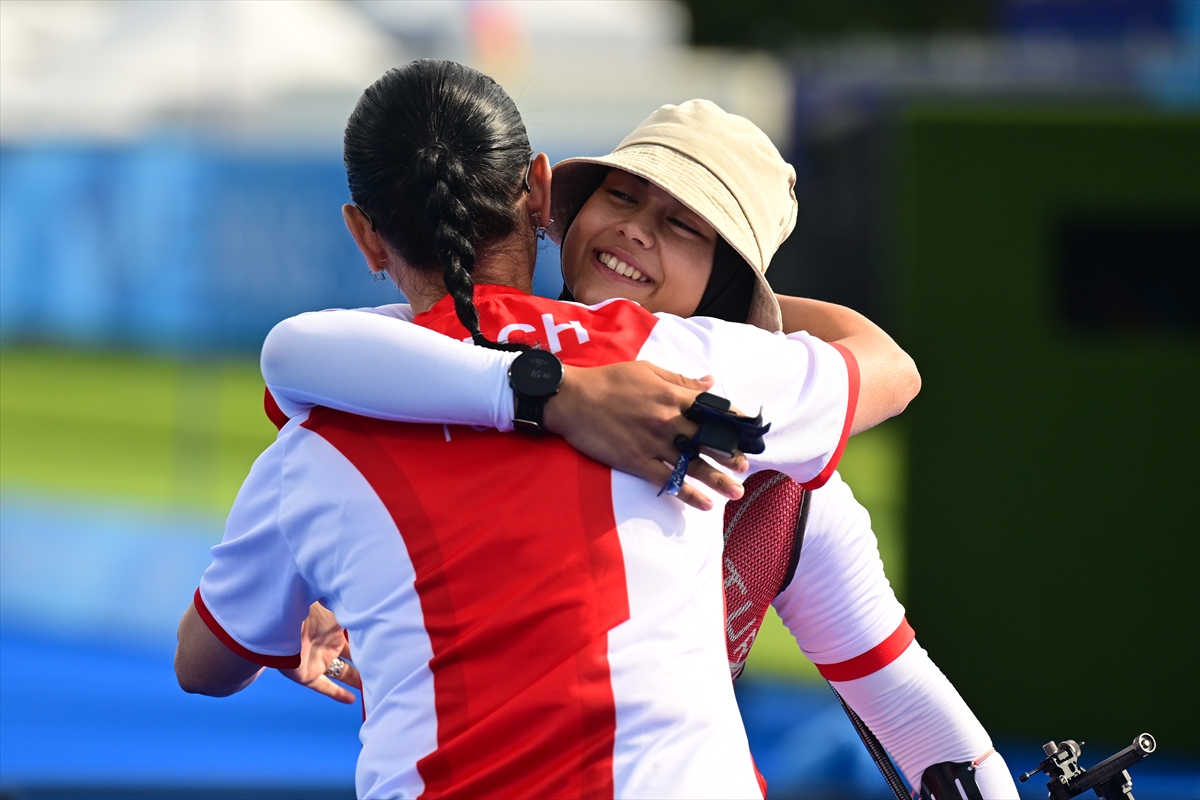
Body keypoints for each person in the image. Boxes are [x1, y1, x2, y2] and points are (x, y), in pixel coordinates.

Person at [175, 60, 897, 800]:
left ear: (365, 237)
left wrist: (323, 589)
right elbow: (888, 367)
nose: (641, 235)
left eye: (683, 226)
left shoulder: (320, 431)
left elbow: (201, 666)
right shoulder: (684, 363)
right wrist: (730, 311)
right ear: (541, 192)